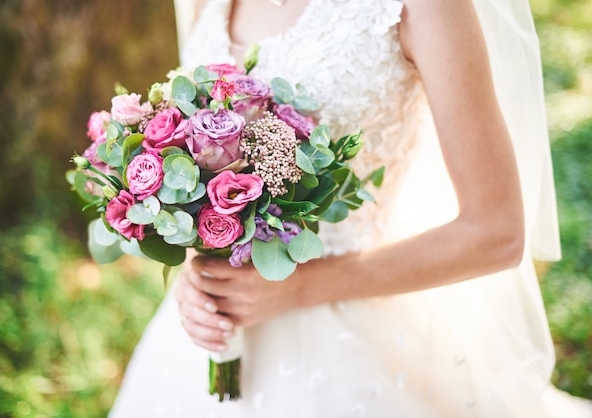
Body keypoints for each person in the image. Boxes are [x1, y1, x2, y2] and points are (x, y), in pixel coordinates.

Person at [109, 0, 590, 416]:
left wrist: (300, 287)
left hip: (361, 325)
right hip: (208, 337)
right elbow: (197, 161)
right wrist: (198, 268)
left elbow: (496, 233)